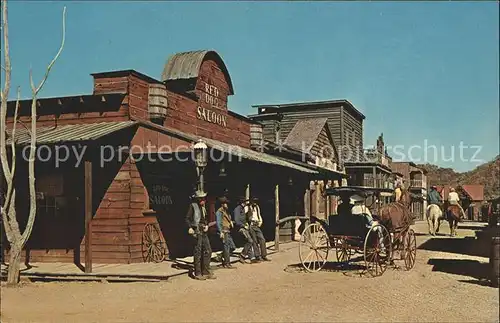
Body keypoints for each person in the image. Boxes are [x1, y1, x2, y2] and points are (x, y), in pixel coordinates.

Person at [185, 190, 215, 280]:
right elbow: (187, 218)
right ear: (198, 199)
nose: (204, 200)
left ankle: (205, 271)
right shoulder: (193, 206)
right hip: (197, 231)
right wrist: (190, 227)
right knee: (197, 252)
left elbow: (204, 219)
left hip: (203, 231)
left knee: (208, 250)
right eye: (202, 199)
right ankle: (197, 272)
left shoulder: (203, 208)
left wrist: (206, 226)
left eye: (204, 199)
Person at [233, 197, 258, 263]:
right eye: (244, 202)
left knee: (248, 241)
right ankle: (242, 255)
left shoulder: (243, 209)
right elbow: (237, 220)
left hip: (244, 227)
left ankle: (251, 257)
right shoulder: (237, 209)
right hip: (240, 228)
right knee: (250, 241)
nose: (245, 203)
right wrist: (243, 225)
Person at [216, 196, 236, 269]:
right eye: (226, 203)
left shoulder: (226, 212)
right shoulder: (219, 212)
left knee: (232, 247)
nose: (227, 205)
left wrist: (231, 222)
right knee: (227, 247)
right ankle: (227, 263)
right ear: (222, 204)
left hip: (228, 231)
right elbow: (218, 223)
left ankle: (221, 256)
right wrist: (221, 231)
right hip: (224, 231)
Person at [247, 197, 270, 261]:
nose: (255, 203)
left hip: (256, 225)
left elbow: (259, 215)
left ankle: (264, 255)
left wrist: (260, 222)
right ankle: (257, 256)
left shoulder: (257, 207)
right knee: (254, 241)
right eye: (253, 201)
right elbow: (244, 215)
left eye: (255, 201)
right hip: (251, 225)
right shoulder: (248, 207)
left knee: (262, 239)